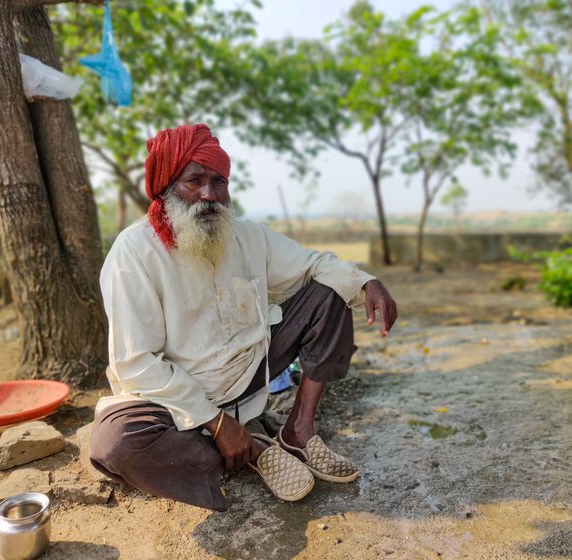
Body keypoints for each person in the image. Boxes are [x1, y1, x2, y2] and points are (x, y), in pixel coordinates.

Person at [90, 123, 397, 511]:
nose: (209, 194)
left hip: (249, 370)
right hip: (177, 396)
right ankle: (249, 448)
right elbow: (135, 363)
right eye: (194, 180)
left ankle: (298, 431)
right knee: (116, 443)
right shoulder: (134, 253)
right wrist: (217, 423)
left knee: (331, 291)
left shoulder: (248, 236)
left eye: (219, 182)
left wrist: (368, 282)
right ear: (167, 185)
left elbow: (315, 265)